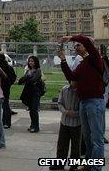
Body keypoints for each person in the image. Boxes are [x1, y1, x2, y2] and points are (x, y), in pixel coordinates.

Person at [58, 35, 105, 171]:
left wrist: (71, 37)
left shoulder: (95, 59)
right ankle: (88, 165)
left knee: (97, 139)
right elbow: (72, 77)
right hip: (84, 102)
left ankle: (96, 168)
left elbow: (86, 40)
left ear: (87, 46)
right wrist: (63, 60)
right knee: (88, 138)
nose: (75, 47)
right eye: (75, 45)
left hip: (95, 102)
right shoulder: (83, 63)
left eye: (78, 45)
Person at [49, 81, 81, 170]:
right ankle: (59, 163)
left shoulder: (81, 91)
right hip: (64, 122)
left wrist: (75, 113)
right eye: (72, 79)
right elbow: (60, 103)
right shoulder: (64, 89)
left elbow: (83, 106)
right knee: (62, 144)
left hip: (77, 123)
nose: (74, 82)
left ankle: (74, 165)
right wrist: (65, 112)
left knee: (76, 146)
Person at [18, 55, 43, 133]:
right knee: (31, 110)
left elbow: (33, 80)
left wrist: (27, 78)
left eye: (32, 61)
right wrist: (27, 78)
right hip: (28, 92)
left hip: (35, 92)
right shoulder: (28, 71)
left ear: (36, 62)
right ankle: (32, 125)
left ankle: (36, 127)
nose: (31, 62)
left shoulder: (38, 70)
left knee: (34, 109)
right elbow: (20, 81)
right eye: (29, 61)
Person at [0, 51, 17, 129]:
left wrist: (8, 84)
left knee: (5, 105)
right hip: (2, 88)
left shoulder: (6, 67)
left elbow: (12, 77)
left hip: (4, 88)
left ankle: (6, 122)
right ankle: (4, 121)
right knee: (4, 105)